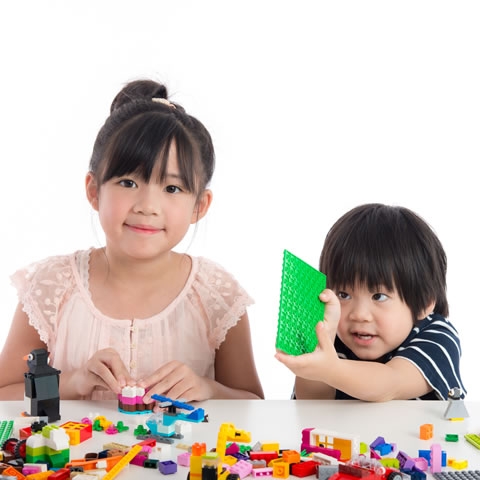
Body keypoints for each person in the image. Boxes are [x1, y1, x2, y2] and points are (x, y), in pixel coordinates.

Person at [0, 79, 264, 403]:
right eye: (128, 182)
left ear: (200, 205)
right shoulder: (52, 288)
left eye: (172, 188)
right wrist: (73, 381)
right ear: (94, 191)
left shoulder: (216, 296)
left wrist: (208, 388)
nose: (147, 206)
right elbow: (4, 393)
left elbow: (253, 404)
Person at [275, 203, 466, 401]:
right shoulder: (333, 335)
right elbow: (312, 406)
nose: (359, 315)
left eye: (379, 297)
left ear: (425, 302)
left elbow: (390, 384)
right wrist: (319, 349)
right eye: (343, 295)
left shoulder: (437, 338)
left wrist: (330, 368)